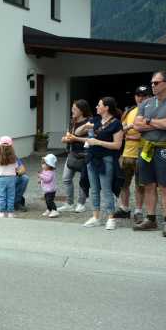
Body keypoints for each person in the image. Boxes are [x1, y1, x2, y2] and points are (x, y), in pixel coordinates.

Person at [133, 71, 166, 237]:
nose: (152, 85)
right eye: (152, 83)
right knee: (148, 185)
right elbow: (136, 125)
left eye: (156, 82)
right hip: (146, 148)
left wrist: (147, 121)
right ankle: (151, 219)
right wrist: (157, 123)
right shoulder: (145, 103)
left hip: (164, 148)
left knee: (165, 186)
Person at [68, 97, 123, 230]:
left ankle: (111, 218)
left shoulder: (116, 123)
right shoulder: (96, 120)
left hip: (106, 159)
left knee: (106, 189)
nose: (97, 107)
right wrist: (86, 127)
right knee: (94, 189)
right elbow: (77, 132)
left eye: (99, 105)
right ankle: (96, 216)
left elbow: (117, 145)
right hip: (92, 158)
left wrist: (98, 142)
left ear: (106, 108)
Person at [113, 85, 152, 223]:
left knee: (140, 185)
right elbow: (120, 130)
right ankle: (124, 208)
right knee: (123, 183)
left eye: (144, 95)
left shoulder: (152, 111)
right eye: (138, 95)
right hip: (127, 153)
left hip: (143, 153)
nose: (140, 98)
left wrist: (130, 129)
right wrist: (127, 129)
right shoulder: (129, 111)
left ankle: (138, 211)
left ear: (149, 97)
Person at [58, 100, 93, 213]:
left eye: (74, 109)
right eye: (72, 108)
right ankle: (69, 203)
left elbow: (91, 139)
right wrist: (65, 139)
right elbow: (69, 135)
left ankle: (81, 204)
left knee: (83, 180)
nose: (72, 111)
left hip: (85, 154)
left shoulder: (89, 122)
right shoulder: (72, 121)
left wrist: (75, 139)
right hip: (72, 153)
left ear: (81, 110)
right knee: (66, 178)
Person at [0, 139, 29, 211]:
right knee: (1, 192)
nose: (6, 149)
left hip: (9, 180)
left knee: (24, 178)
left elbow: (23, 169)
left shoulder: (12, 155)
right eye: (4, 147)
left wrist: (15, 172)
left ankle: (16, 203)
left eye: (8, 147)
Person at [0, 136, 18, 218]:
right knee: (11, 196)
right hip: (12, 178)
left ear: (0, 146)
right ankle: (10, 213)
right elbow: (16, 167)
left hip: (1, 179)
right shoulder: (14, 158)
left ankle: (1, 212)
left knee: (2, 196)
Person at [39, 153, 59, 218]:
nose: (42, 165)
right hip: (47, 190)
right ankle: (49, 209)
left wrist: (40, 176)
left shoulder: (51, 172)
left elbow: (48, 179)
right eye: (42, 163)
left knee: (49, 200)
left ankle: (54, 210)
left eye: (44, 164)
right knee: (47, 200)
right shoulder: (45, 171)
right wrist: (40, 181)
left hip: (51, 190)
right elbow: (44, 179)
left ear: (49, 165)